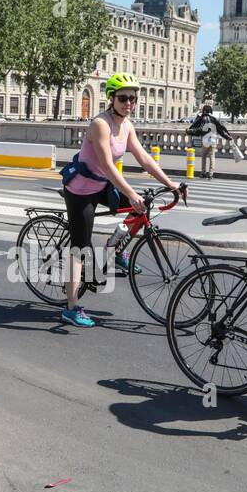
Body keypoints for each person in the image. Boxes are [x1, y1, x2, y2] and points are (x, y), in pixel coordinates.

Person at [58, 71, 183, 328]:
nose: (129, 103)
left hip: (103, 185)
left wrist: (171, 184)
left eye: (133, 99)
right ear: (111, 98)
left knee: (140, 209)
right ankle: (70, 307)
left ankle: (114, 251)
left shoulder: (126, 125)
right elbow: (106, 164)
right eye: (124, 98)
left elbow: (145, 159)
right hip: (81, 189)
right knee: (80, 248)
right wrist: (130, 192)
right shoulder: (100, 124)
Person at [186, 104, 233, 180]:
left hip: (205, 139)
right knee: (212, 156)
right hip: (213, 139)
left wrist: (190, 131)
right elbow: (221, 129)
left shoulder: (202, 118)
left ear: (204, 111)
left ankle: (203, 172)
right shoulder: (214, 119)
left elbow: (199, 129)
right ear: (210, 111)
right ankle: (211, 174)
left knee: (204, 156)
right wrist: (228, 137)